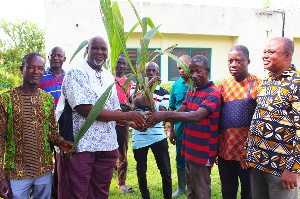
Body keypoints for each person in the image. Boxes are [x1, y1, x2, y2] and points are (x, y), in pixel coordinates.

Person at [59, 36, 145, 199]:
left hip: (106, 146)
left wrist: (135, 122)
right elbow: (86, 109)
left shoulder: (107, 76)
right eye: (95, 48)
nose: (99, 52)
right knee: (76, 193)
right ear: (87, 50)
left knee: (100, 193)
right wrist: (127, 115)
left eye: (103, 49)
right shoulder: (76, 72)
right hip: (80, 146)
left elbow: (115, 112)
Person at [146, 55, 221, 199]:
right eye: (191, 71)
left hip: (202, 151)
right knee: (191, 189)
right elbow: (181, 110)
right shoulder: (192, 91)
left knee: (202, 190)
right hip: (189, 149)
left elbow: (197, 116)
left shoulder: (213, 93)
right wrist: (159, 114)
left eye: (198, 71)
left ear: (208, 71)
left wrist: (163, 116)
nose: (194, 75)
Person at [0, 52, 73, 199]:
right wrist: (1, 176)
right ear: (22, 69)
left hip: (44, 171)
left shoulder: (47, 99)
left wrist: (61, 142)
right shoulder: (6, 100)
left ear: (44, 71)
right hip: (16, 173)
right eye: (31, 67)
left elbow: (52, 131)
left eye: (40, 68)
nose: (36, 72)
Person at [240, 37, 300, 199]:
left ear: (287, 56)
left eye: (271, 52)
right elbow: (258, 118)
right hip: (258, 163)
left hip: (281, 168)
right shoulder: (266, 81)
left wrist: (294, 168)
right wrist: (248, 147)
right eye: (264, 52)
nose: (265, 56)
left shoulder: (296, 83)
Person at [218, 45, 261, 199]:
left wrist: (249, 148)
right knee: (227, 190)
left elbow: (261, 120)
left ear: (248, 61)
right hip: (225, 149)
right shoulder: (223, 86)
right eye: (230, 61)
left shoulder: (258, 85)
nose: (233, 64)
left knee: (248, 191)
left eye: (238, 60)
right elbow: (218, 117)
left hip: (247, 151)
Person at [131, 62, 172, 199]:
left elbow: (160, 113)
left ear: (158, 72)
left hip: (158, 135)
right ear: (144, 73)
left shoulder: (164, 93)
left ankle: (168, 196)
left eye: (153, 70)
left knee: (165, 171)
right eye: (148, 70)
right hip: (139, 135)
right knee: (141, 171)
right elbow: (135, 104)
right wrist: (144, 98)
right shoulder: (135, 88)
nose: (151, 73)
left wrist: (143, 108)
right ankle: (145, 196)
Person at [38, 46, 66, 199]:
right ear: (48, 57)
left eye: (59, 55)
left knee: (59, 163)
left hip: (62, 128)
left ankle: (55, 194)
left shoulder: (68, 77)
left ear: (64, 59)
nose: (56, 58)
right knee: (42, 160)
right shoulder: (40, 76)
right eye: (52, 55)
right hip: (42, 127)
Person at [168, 55, 191, 198]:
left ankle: (194, 187)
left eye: (184, 66)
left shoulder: (198, 83)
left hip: (197, 131)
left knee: (195, 159)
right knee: (180, 158)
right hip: (180, 130)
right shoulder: (176, 86)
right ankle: (181, 187)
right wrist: (171, 130)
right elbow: (171, 109)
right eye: (178, 68)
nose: (181, 70)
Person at [114, 54, 134, 193]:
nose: (121, 66)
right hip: (108, 123)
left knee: (123, 155)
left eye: (123, 64)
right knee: (106, 154)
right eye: (118, 63)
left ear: (126, 66)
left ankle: (121, 183)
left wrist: (127, 106)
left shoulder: (130, 82)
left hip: (123, 123)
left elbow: (133, 101)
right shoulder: (107, 79)